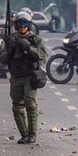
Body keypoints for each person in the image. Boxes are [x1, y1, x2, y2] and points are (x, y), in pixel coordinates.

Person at [4, 11, 47, 144]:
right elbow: (2, 59)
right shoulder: (11, 39)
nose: (22, 26)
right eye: (20, 24)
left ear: (29, 25)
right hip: (16, 76)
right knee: (17, 107)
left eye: (25, 24)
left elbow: (41, 55)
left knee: (30, 103)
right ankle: (24, 134)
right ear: (16, 25)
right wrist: (9, 50)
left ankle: (32, 134)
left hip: (30, 76)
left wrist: (29, 48)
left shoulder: (36, 40)